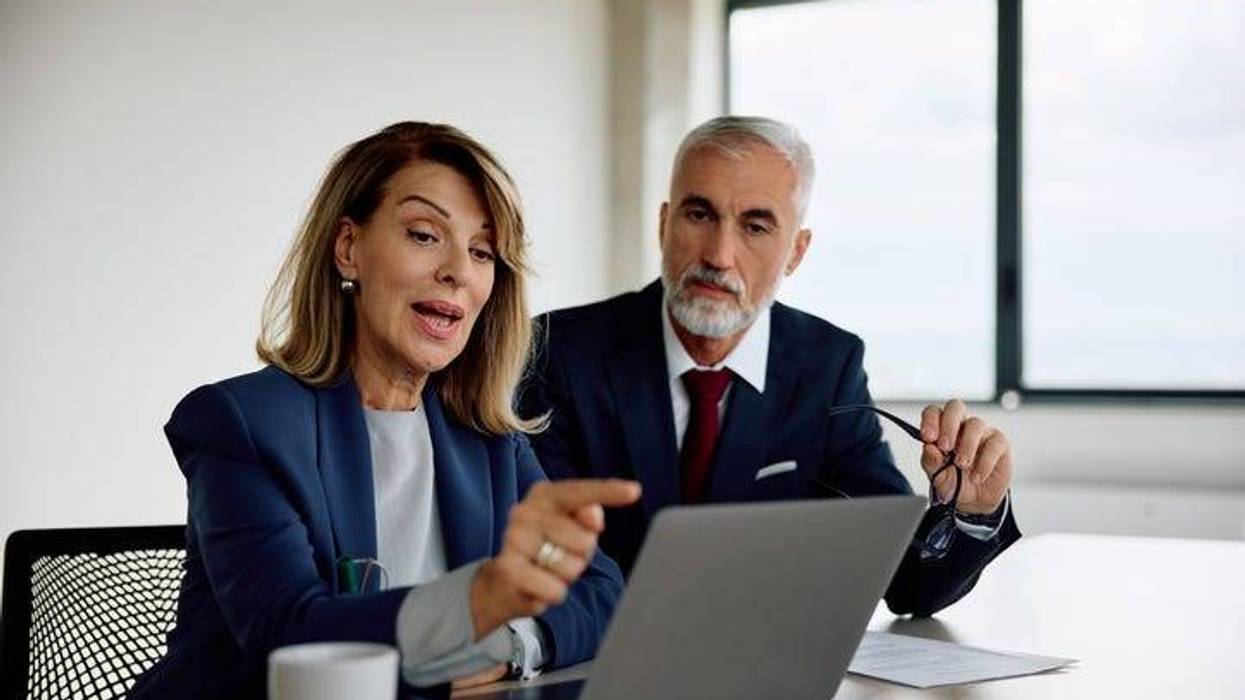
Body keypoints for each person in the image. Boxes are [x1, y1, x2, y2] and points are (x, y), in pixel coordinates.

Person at [130, 122, 640, 699]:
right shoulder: (241, 424)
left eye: (482, 251)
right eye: (425, 235)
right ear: (349, 249)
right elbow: (292, 639)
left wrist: (511, 643)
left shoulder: (488, 442)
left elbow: (602, 591)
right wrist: (479, 603)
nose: (458, 270)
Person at [519, 116, 1020, 617]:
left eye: (755, 226)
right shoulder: (559, 353)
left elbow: (905, 584)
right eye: (699, 215)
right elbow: (539, 562)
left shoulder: (827, 365)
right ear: (663, 224)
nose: (719, 255)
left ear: (796, 252)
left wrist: (972, 511)